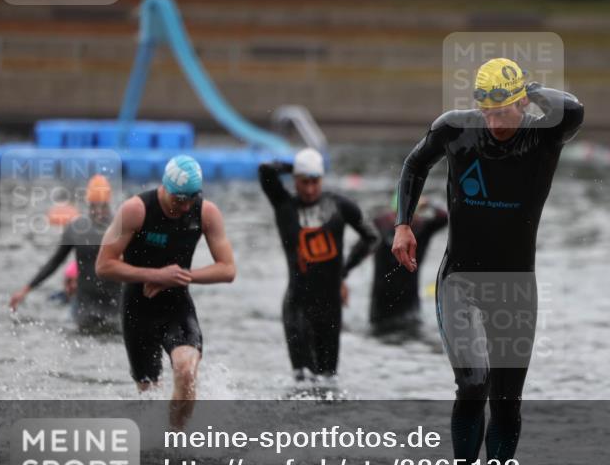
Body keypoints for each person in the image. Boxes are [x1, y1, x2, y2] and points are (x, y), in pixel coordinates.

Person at [392, 58, 583, 465]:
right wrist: (403, 224)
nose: (495, 122)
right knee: (473, 382)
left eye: (504, 110)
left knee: (507, 401)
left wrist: (528, 87)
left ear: (521, 103)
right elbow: (415, 163)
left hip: (516, 287)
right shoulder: (456, 129)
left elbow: (575, 108)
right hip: (459, 281)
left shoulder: (544, 137)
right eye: (487, 112)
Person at [96, 156, 235, 429]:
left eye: (191, 199)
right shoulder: (136, 210)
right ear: (165, 187)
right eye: (179, 199)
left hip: (176, 306)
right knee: (149, 393)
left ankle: (177, 440)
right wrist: (155, 275)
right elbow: (104, 265)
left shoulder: (206, 212)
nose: (185, 207)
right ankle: (157, 440)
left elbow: (228, 269)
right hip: (138, 309)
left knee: (186, 371)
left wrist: (182, 277)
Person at [258, 148, 379, 381]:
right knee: (304, 379)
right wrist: (296, 165)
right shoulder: (284, 204)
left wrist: (344, 272)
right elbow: (265, 170)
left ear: (322, 179)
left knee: (328, 381)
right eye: (304, 182)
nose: (310, 189)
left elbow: (372, 237)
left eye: (315, 181)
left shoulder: (340, 205)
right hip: (297, 306)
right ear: (295, 180)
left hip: (331, 307)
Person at [9, 174, 122, 333]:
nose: (98, 211)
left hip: (115, 305)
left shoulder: (122, 227)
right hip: (84, 306)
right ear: (88, 203)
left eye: (102, 206)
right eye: (94, 206)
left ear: (108, 203)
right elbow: (55, 261)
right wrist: (26, 289)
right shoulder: (75, 229)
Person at [369, 194, 447, 335]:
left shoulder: (422, 227)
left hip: (407, 298)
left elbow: (445, 217)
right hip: (382, 299)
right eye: (396, 216)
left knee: (409, 329)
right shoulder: (380, 224)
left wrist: (428, 202)